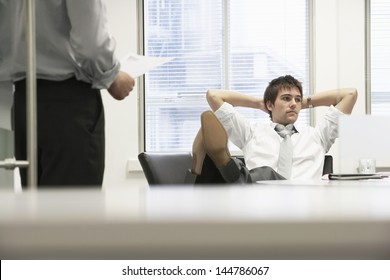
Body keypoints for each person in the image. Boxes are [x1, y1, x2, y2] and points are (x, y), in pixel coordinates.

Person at [0, 0, 135, 187]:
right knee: (72, 210)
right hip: (68, 105)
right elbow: (91, 45)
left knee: (36, 210)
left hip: (24, 100)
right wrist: (112, 76)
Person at [192, 75, 357, 183]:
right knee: (263, 176)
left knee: (263, 175)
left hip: (306, 204)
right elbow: (213, 96)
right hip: (263, 204)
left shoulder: (318, 135)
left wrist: (301, 104)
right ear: (270, 104)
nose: (293, 103)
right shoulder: (251, 133)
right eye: (286, 98)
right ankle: (225, 164)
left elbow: (350, 94)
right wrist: (259, 103)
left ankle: (228, 167)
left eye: (297, 99)